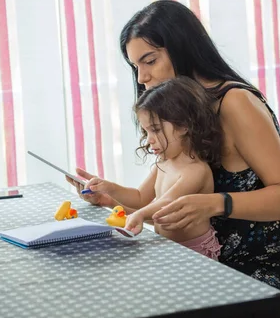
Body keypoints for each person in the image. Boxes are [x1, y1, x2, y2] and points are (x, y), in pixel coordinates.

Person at [66, 0, 280, 318]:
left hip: (272, 270)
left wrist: (214, 203)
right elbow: (159, 205)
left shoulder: (235, 102)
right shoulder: (182, 115)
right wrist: (109, 199)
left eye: (150, 61)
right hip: (211, 266)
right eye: (135, 67)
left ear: (182, 48)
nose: (142, 77)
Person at [84, 77, 222, 259]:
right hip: (168, 248)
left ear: (183, 126)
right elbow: (140, 198)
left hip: (195, 252)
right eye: (146, 131)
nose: (149, 139)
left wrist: (139, 215)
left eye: (155, 129)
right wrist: (108, 189)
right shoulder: (164, 163)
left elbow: (167, 205)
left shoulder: (196, 170)